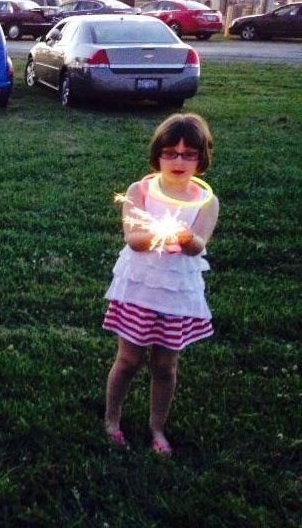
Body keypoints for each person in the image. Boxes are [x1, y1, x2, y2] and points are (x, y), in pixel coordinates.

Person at [102, 113, 219, 455]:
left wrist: (185, 238)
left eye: (189, 154)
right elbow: (134, 238)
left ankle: (157, 428)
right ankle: (112, 418)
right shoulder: (140, 191)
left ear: (201, 159)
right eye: (170, 152)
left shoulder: (206, 201)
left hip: (176, 292)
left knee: (165, 365)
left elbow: (199, 244)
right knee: (128, 359)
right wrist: (158, 232)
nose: (179, 160)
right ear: (157, 155)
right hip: (141, 287)